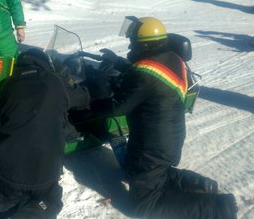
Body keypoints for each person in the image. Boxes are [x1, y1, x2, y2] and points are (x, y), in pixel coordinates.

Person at [92, 16, 238, 219]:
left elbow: (117, 107)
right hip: (167, 139)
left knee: (144, 208)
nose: (130, 44)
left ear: (143, 43)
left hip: (151, 147)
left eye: (133, 41)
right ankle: (201, 185)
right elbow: (150, 73)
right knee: (144, 173)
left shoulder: (144, 73)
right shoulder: (172, 58)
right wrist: (118, 62)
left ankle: (220, 208)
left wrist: (91, 103)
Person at [0, 48, 89, 219]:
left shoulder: (6, 85)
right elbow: (80, 99)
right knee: (51, 203)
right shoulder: (54, 81)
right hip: (43, 175)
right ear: (46, 64)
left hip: (7, 172)